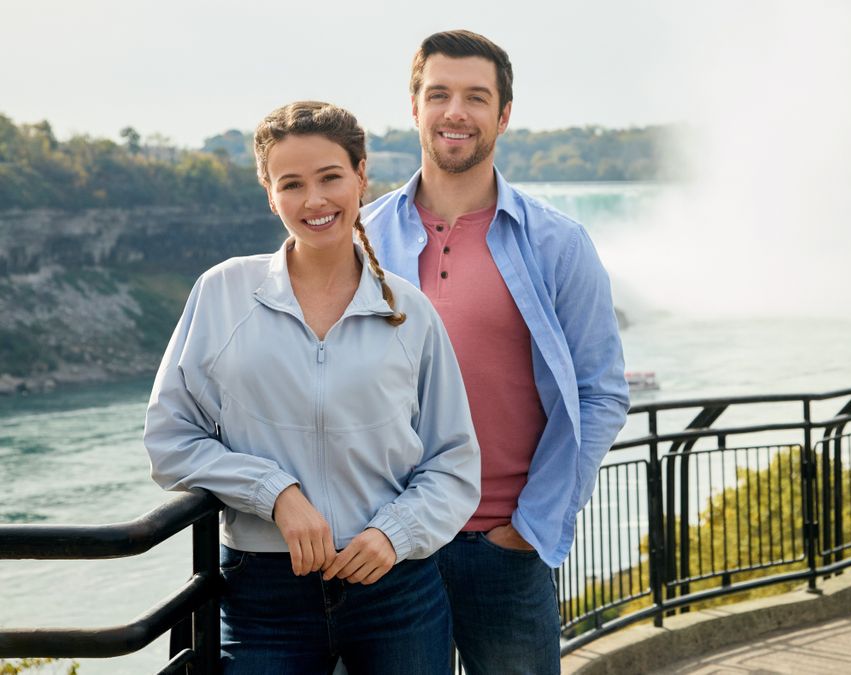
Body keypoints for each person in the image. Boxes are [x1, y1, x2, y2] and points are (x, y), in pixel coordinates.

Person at [144, 101, 480, 674]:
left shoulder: (410, 312)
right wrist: (274, 492)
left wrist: (395, 534)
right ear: (270, 194)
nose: (315, 200)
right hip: (264, 594)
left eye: (330, 177)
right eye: (291, 184)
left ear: (360, 176)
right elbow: (170, 438)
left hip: (395, 588)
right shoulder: (223, 293)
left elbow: (453, 461)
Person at [362, 30, 629, 673]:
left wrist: (531, 526)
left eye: (476, 97)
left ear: (503, 115)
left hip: (503, 549)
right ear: (415, 106)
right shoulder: (360, 238)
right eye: (440, 94)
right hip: (386, 546)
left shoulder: (558, 243)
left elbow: (601, 391)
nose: (456, 111)